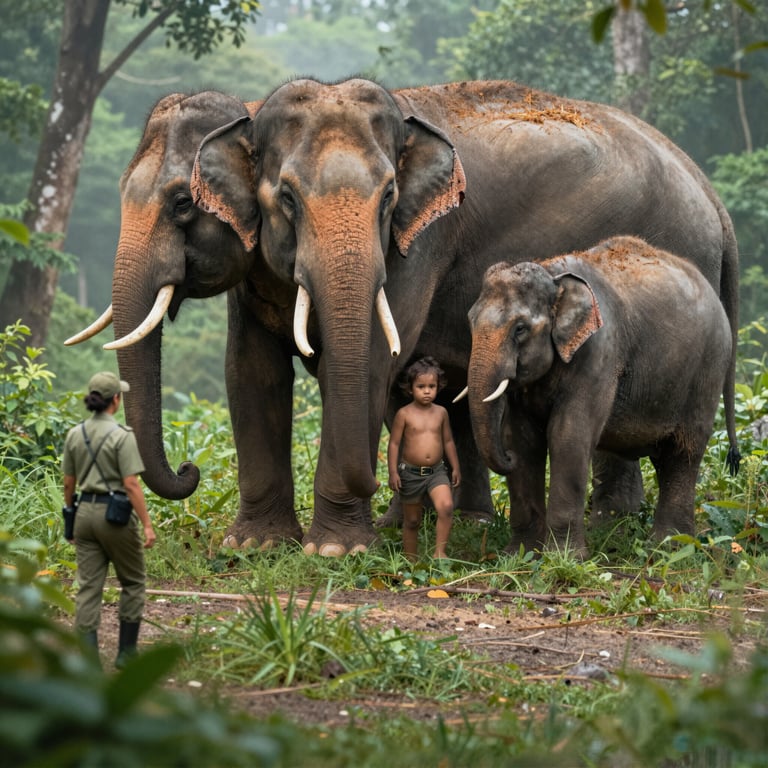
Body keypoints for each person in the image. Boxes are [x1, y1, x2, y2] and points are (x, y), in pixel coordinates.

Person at [61, 371, 155, 669]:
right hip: (114, 516)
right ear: (116, 399)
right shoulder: (121, 435)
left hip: (84, 514)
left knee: (89, 587)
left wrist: (71, 517)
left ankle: (88, 662)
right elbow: (131, 484)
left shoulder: (75, 434)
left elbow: (68, 483)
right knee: (133, 581)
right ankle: (126, 654)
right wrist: (148, 524)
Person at [387, 357, 461, 561]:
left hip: (437, 472)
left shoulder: (441, 413)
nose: (427, 391)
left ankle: (440, 552)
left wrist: (455, 467)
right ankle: (411, 560)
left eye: (432, 386)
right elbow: (394, 444)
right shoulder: (404, 414)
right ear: (411, 389)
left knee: (446, 507)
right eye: (421, 386)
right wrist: (393, 472)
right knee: (412, 520)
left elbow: (447, 442)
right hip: (410, 473)